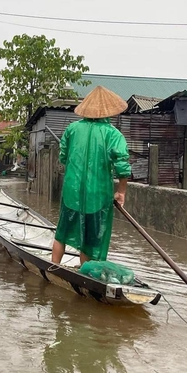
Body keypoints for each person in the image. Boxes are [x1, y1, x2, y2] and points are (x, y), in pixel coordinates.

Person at [51, 86, 131, 265]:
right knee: (90, 237)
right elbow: (122, 165)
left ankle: (53, 266)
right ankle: (84, 271)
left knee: (62, 231)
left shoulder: (72, 129)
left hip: (72, 189)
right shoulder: (113, 134)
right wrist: (121, 191)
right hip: (98, 194)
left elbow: (63, 156)